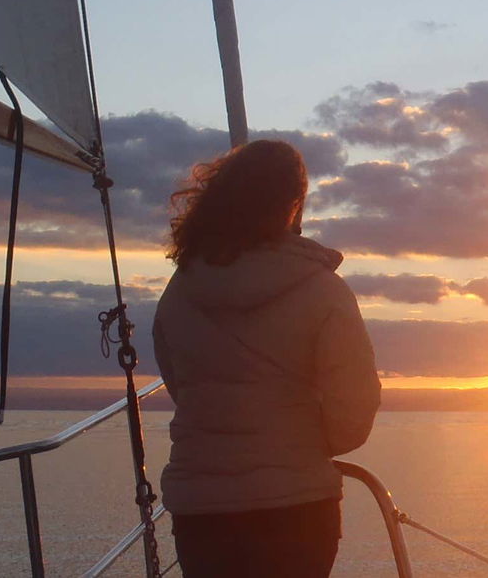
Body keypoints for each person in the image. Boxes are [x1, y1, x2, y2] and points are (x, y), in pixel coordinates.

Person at [153, 140, 381, 577]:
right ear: (293, 204)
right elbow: (353, 411)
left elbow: (181, 385)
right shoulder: (323, 290)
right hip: (295, 506)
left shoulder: (182, 288)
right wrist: (305, 443)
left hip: (201, 508)